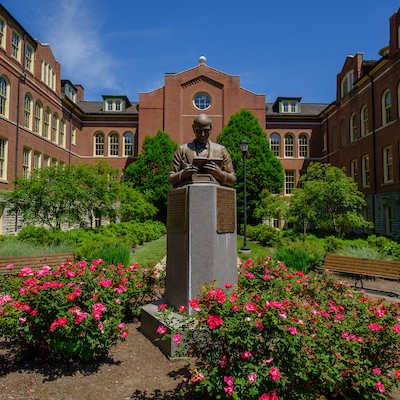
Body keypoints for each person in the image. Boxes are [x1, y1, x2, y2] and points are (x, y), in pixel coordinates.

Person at [169, 114, 236, 187]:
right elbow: (170, 179)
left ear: (211, 128)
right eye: (199, 130)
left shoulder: (221, 150)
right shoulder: (182, 150)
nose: (203, 134)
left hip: (214, 191)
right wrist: (183, 174)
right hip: (189, 191)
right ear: (193, 128)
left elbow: (233, 179)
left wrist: (220, 174)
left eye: (206, 130)